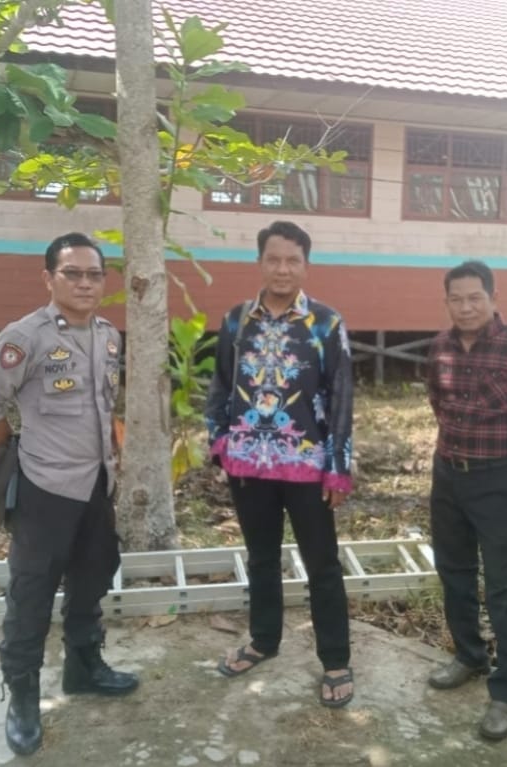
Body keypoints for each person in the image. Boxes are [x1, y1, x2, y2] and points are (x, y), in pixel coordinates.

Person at [0, 232, 138, 756]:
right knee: (32, 594)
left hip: (96, 485)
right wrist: (14, 450)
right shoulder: (26, 337)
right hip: (45, 489)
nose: (85, 283)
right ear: (49, 278)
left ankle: (84, 668)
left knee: (92, 577)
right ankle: (22, 696)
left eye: (94, 274)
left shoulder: (107, 335)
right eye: (72, 273)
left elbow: (103, 408)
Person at [205, 220, 354, 707]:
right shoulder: (236, 321)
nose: (283, 269)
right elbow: (220, 385)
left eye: (293, 260)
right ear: (260, 263)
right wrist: (219, 442)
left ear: (306, 266)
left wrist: (338, 467)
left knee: (322, 563)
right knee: (261, 558)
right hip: (249, 465)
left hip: (307, 465)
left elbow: (341, 398)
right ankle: (263, 640)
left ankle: (335, 659)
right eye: (274, 259)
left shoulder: (326, 323)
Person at [426, 260, 507, 741]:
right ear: (447, 301)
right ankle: (468, 655)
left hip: (500, 478)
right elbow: (437, 402)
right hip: (448, 474)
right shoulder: (439, 347)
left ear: (493, 297)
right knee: (454, 571)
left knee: (505, 586)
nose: (465, 307)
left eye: (474, 297)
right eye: (456, 298)